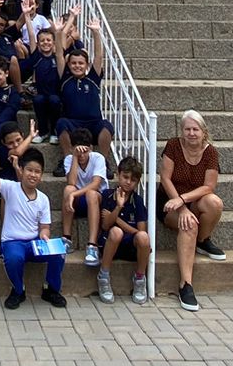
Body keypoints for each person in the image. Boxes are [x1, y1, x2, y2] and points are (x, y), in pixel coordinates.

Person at [0, 142, 66, 310]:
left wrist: (44, 235)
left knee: (59, 251)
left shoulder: (43, 199)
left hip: (35, 242)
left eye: (37, 171)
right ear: (21, 170)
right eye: (30, 170)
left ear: (41, 175)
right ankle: (18, 290)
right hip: (13, 242)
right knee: (14, 258)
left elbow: (45, 227)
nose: (33, 175)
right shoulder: (10, 188)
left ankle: (50, 289)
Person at [161, 110, 225, 312]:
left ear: (203, 131)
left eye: (195, 129)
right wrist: (180, 207)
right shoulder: (173, 145)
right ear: (182, 131)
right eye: (187, 129)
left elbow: (209, 186)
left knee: (214, 203)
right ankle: (185, 285)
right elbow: (165, 178)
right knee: (188, 225)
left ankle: (202, 240)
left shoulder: (211, 152)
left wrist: (184, 200)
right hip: (169, 202)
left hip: (192, 200)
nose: (191, 133)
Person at [53, 8, 114, 167]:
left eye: (81, 63)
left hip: (93, 123)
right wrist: (58, 33)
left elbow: (99, 56)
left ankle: (102, 162)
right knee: (61, 123)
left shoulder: (93, 78)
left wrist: (96, 33)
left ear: (87, 65)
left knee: (106, 126)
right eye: (73, 63)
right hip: (72, 123)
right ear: (69, 65)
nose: (77, 66)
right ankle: (67, 161)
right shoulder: (65, 78)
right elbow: (59, 54)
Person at [96, 156, 151, 304]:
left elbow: (140, 232)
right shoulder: (107, 195)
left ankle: (140, 278)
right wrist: (118, 207)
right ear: (118, 175)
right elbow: (105, 225)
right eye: (125, 177)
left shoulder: (137, 201)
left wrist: (117, 220)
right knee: (116, 231)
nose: (128, 182)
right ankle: (103, 276)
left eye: (133, 180)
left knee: (144, 237)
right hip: (110, 243)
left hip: (131, 246)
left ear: (137, 182)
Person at [60, 127, 108, 265]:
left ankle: (92, 245)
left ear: (91, 149)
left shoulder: (98, 158)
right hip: (77, 201)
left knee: (91, 194)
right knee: (68, 189)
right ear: (72, 149)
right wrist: (75, 157)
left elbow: (96, 184)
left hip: (97, 201)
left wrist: (74, 194)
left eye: (85, 151)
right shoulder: (69, 159)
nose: (82, 155)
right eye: (78, 151)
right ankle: (67, 239)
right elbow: (71, 182)